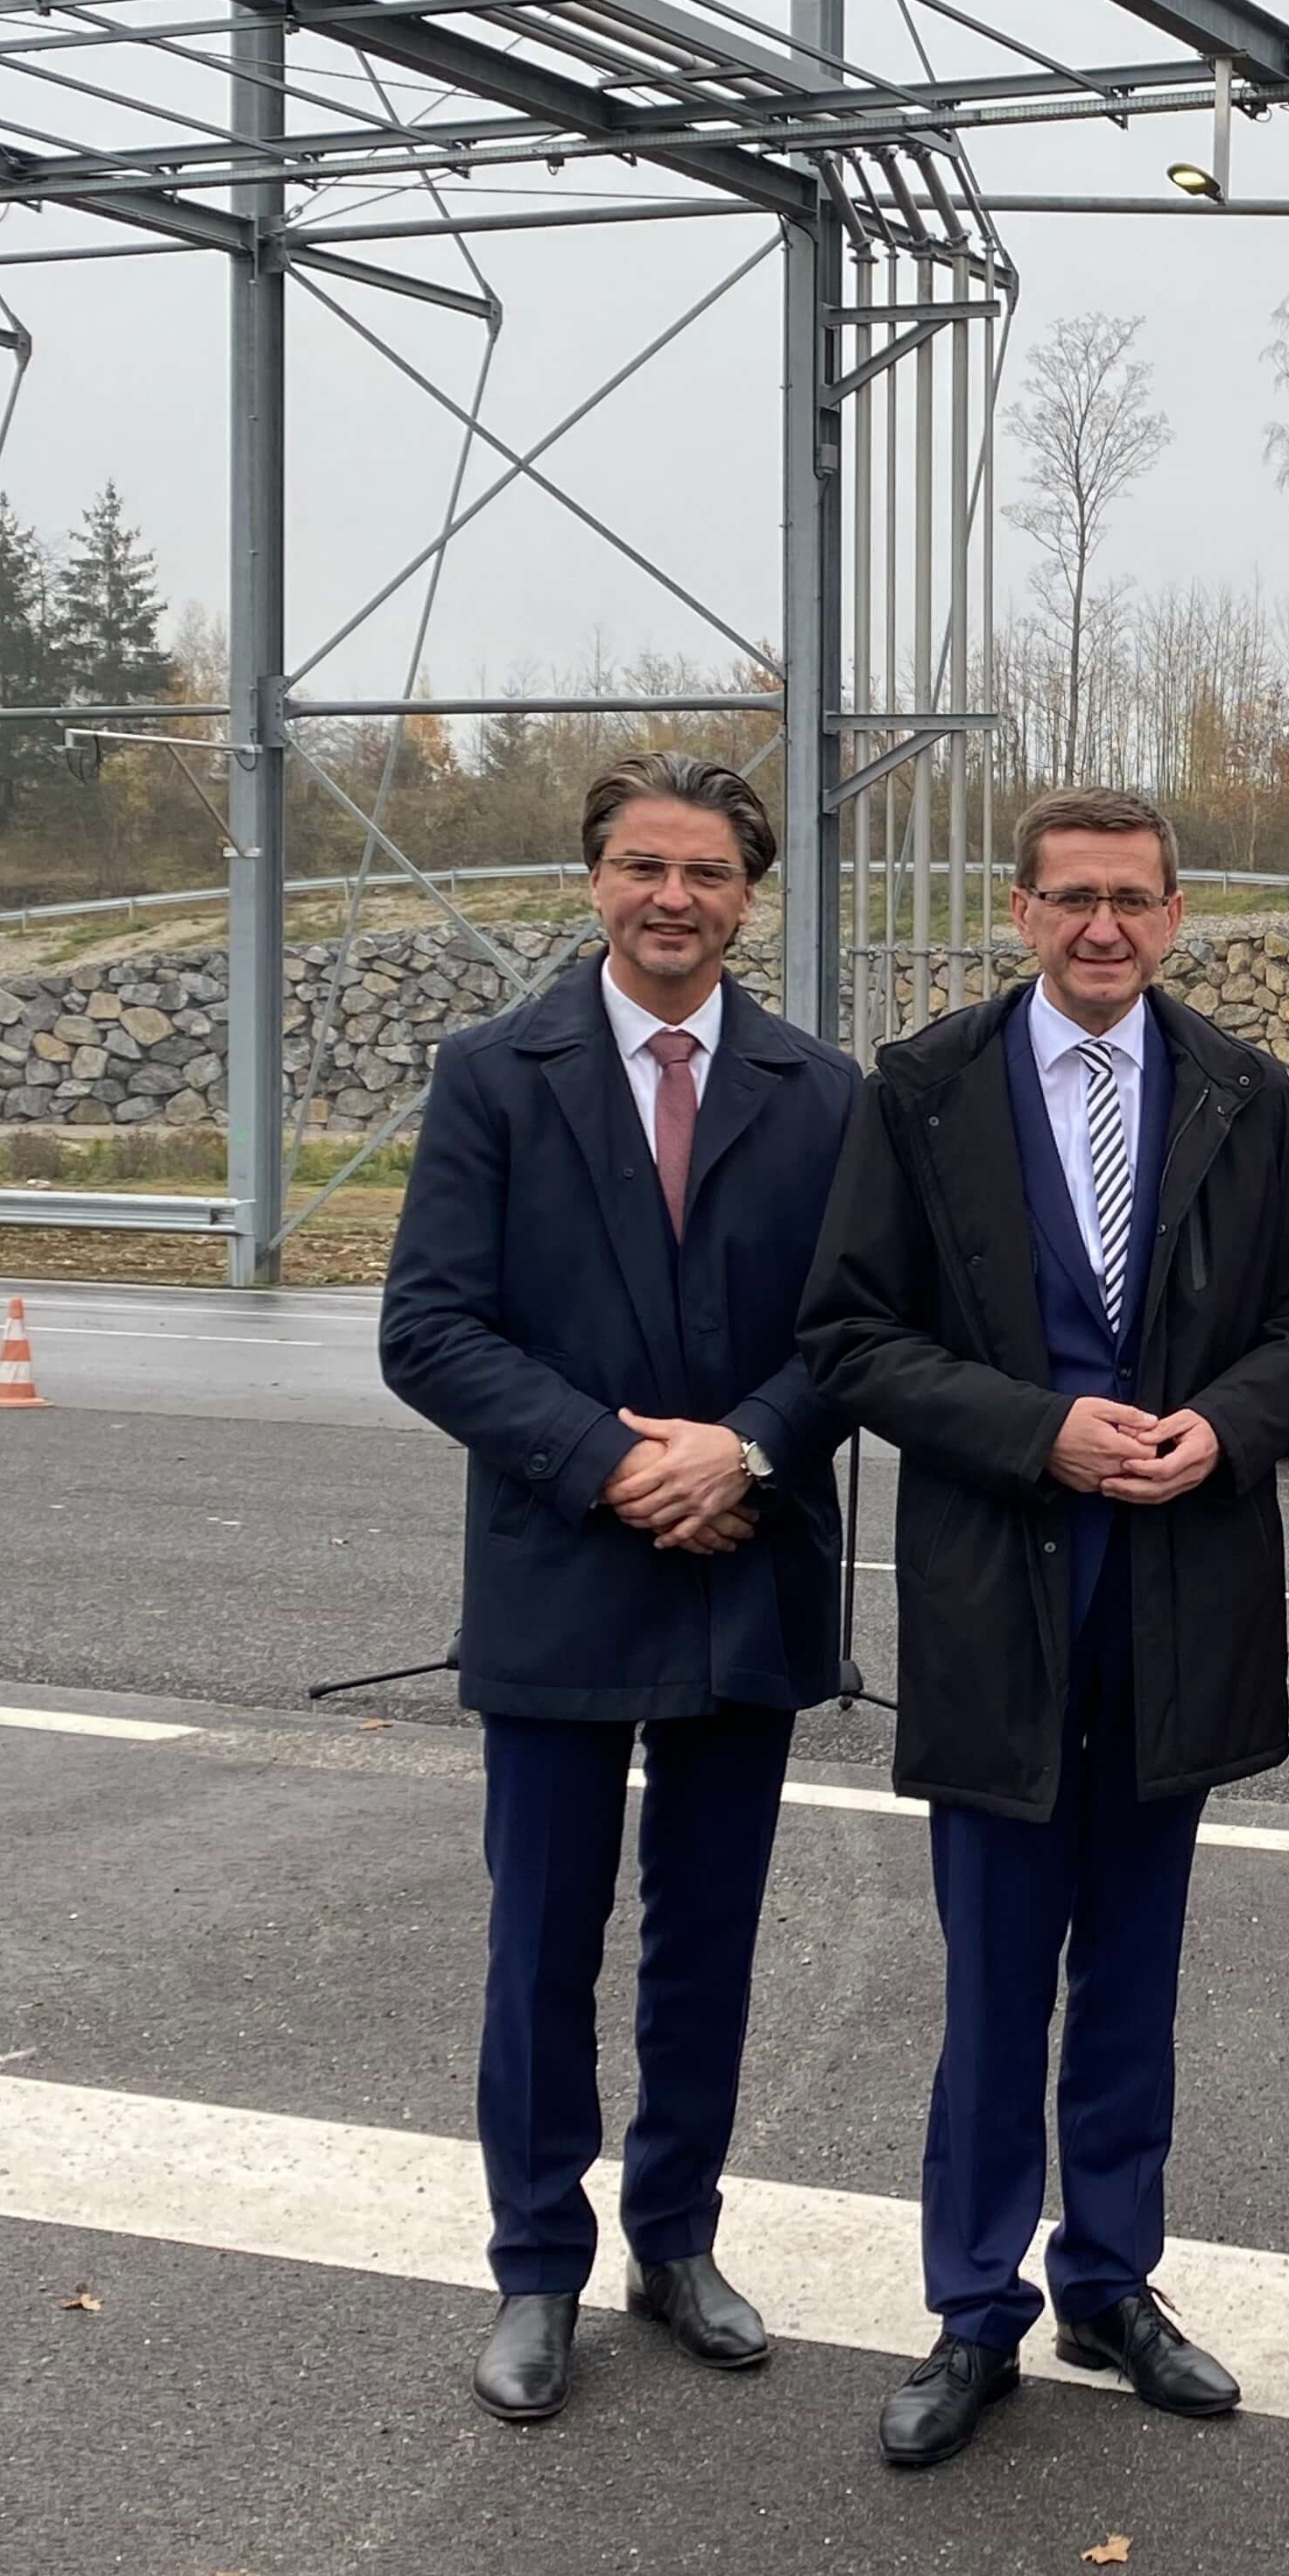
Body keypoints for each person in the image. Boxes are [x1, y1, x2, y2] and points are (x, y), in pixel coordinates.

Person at [798, 783, 1289, 2472]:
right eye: (1072, 900)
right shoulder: (924, 1089)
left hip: (1177, 1597)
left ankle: (1112, 2281)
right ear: (1017, 912)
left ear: (1176, 916)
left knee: (1132, 1982)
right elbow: (849, 1334)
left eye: (1133, 899)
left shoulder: (1244, 1094)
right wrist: (1035, 1428)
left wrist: (1228, 1427)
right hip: (1001, 1597)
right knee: (991, 1990)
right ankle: (976, 2310)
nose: (1103, 927)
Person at [378, 750, 859, 2424]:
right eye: (644, 867)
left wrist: (744, 1452)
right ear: (594, 879)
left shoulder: (821, 1091)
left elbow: (851, 1338)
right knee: (541, 1944)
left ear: (748, 893)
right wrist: (615, 1461)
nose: (675, 898)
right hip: (561, 1574)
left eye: (708, 872)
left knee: (707, 1943)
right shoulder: (494, 1076)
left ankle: (676, 2238)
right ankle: (533, 2267)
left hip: (748, 1576)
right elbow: (429, 1329)